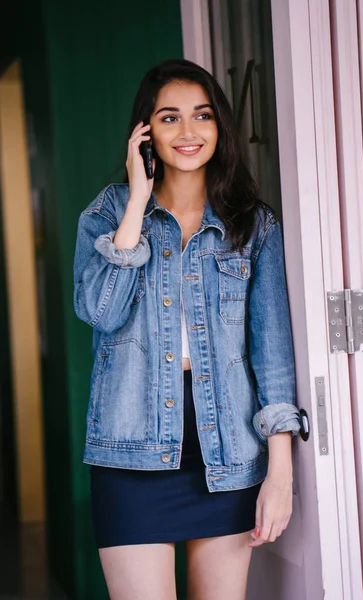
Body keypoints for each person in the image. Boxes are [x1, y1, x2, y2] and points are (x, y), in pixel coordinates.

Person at [73, 58, 301, 600]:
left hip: (226, 453)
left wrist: (280, 474)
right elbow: (100, 313)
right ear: (145, 132)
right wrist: (136, 200)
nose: (188, 131)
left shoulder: (253, 225)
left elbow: (271, 358)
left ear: (219, 126)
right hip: (130, 452)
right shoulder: (107, 214)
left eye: (201, 115)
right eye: (169, 118)